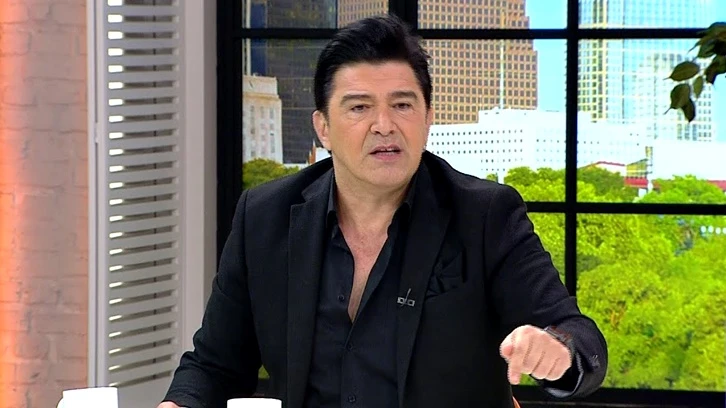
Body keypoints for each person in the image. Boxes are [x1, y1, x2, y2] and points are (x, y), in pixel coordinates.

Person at [159, 14, 607, 408]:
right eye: (359, 107)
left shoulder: (485, 216)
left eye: (402, 105)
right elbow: (215, 365)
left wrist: (557, 351)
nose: (384, 125)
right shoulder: (265, 216)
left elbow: (580, 337)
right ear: (323, 127)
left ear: (427, 117)